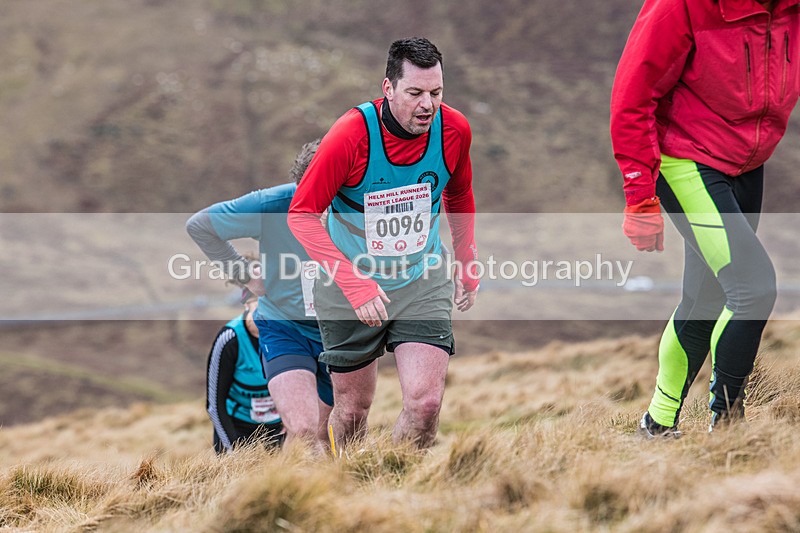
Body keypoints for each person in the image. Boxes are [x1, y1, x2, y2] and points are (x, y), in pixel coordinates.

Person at [610, 0, 796, 435]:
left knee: (707, 300)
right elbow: (632, 97)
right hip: (685, 161)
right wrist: (639, 195)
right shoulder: (683, 6)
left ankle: (656, 424)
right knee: (753, 289)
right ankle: (728, 429)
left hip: (747, 163)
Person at [288, 37, 479, 450]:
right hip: (349, 289)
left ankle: (399, 484)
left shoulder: (455, 130)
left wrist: (466, 260)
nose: (427, 105)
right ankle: (352, 490)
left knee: (426, 403)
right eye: (415, 93)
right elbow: (301, 215)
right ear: (389, 89)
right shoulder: (351, 135)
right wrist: (353, 284)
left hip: (421, 277)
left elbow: (459, 195)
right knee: (354, 410)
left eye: (436, 93)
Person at [187, 139, 334, 452]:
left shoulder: (360, 200)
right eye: (314, 191)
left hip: (341, 331)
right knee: (305, 429)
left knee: (340, 427)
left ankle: (349, 489)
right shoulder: (271, 204)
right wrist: (244, 276)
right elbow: (200, 225)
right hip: (285, 325)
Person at [206, 290, 283, 453]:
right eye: (259, 304)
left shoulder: (287, 334)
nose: (265, 311)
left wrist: (293, 427)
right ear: (247, 304)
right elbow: (214, 403)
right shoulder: (229, 338)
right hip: (237, 427)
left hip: (280, 428)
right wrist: (230, 451)